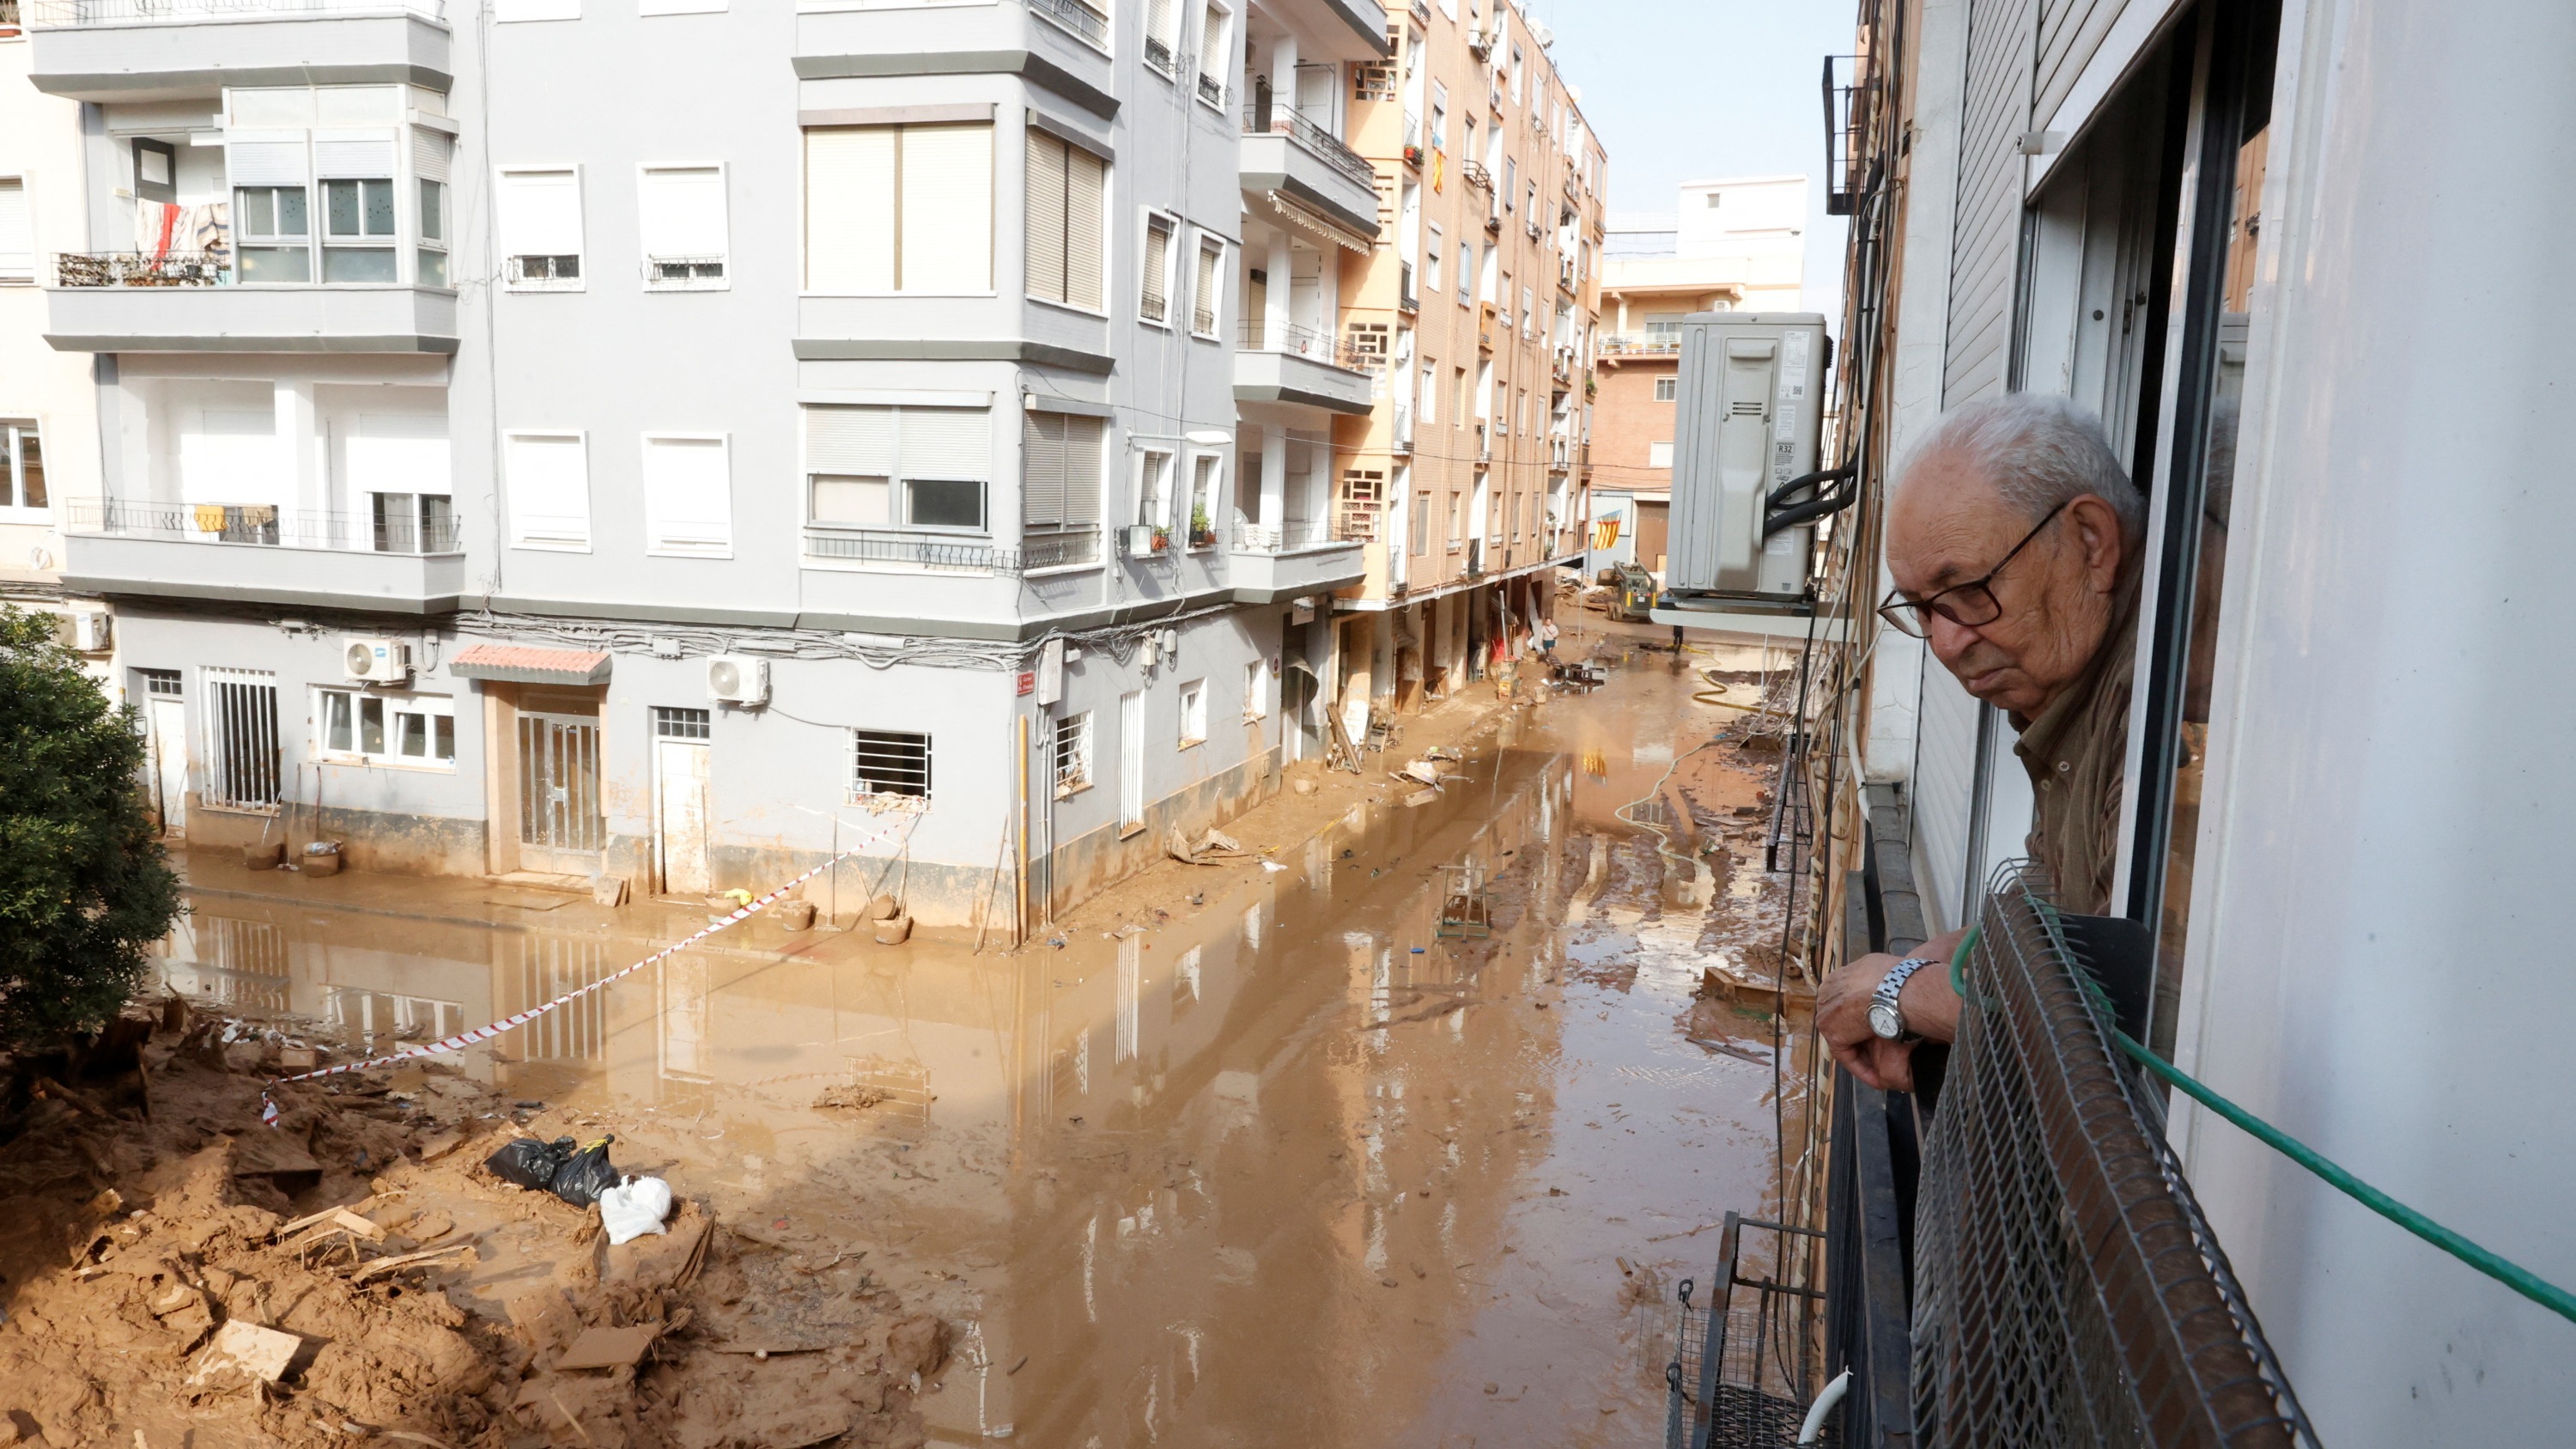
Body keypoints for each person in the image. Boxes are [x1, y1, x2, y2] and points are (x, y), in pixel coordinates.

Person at [1817, 393, 2146, 1093]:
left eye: (1965, 590)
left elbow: (2135, 1001)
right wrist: (1950, 956)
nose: (1946, 641)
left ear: (2090, 542)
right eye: (1922, 609)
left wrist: (1902, 995)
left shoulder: (2169, 710)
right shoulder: (2075, 695)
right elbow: (2064, 899)